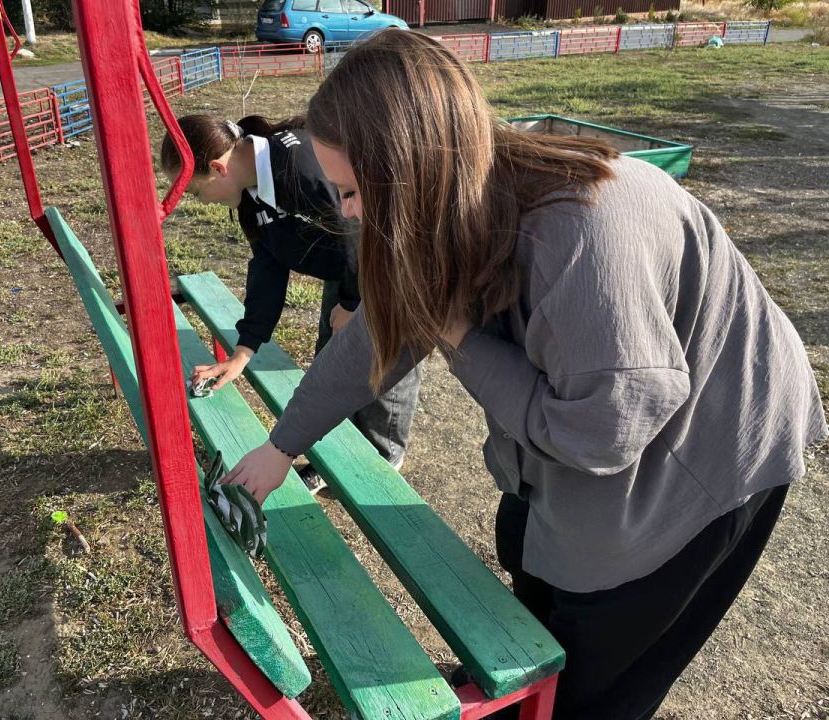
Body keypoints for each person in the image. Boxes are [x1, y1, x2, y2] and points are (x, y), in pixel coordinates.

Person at [221, 30, 828, 720]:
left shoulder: (579, 234)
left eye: (354, 191)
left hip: (709, 450)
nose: (348, 212)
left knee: (602, 660)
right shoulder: (452, 200)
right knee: (527, 547)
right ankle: (520, 686)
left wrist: (456, 333)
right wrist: (282, 446)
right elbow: (376, 337)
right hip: (612, 411)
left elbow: (602, 436)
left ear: (410, 169)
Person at [160, 114, 421, 479]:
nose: (202, 202)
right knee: (335, 362)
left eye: (196, 192)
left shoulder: (299, 164)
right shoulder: (252, 190)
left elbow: (358, 231)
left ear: (218, 168)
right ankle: (334, 456)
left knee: (382, 362)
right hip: (350, 273)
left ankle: (381, 459)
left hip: (392, 267)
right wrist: (243, 351)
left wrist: (351, 303)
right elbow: (268, 266)